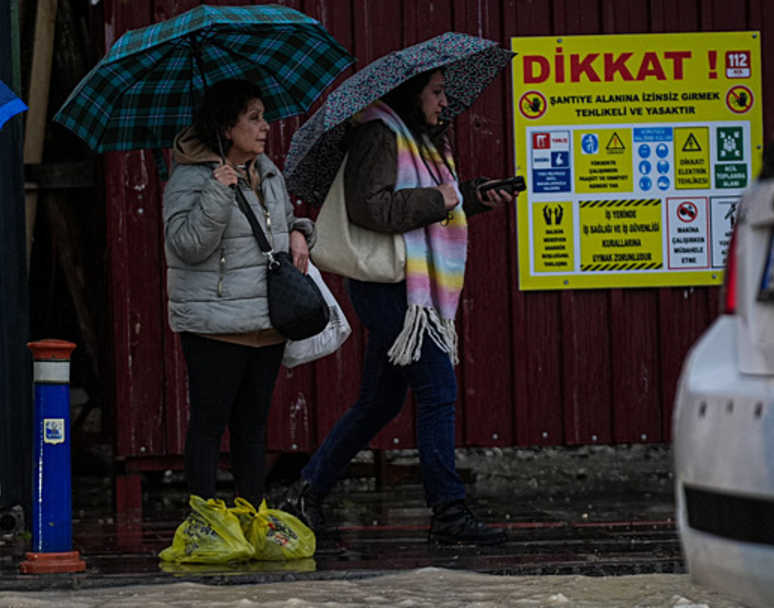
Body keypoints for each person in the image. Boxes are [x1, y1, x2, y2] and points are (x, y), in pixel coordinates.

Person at [278, 68, 519, 546]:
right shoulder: (379, 135)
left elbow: (432, 207)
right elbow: (375, 209)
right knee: (437, 390)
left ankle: (304, 494)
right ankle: (449, 512)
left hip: (407, 286)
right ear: (412, 94)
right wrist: (448, 196)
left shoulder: (421, 142)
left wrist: (473, 196)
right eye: (436, 92)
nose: (444, 101)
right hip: (389, 287)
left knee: (380, 401)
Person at [163, 79, 315, 507]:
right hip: (215, 325)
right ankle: (204, 518)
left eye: (263, 116)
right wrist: (217, 189)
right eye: (254, 118)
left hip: (266, 322)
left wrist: (300, 233)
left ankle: (251, 513)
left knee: (253, 428)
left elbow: (281, 223)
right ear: (227, 128)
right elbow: (187, 245)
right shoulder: (189, 179)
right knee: (210, 424)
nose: (265, 126)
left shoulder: (267, 171)